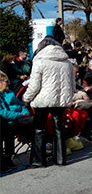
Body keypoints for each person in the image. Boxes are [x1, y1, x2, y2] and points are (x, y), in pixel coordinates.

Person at [23, 36, 76, 167]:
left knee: (39, 128)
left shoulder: (39, 61)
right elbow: (72, 83)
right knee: (59, 127)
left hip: (43, 99)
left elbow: (34, 85)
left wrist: (26, 98)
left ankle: (38, 160)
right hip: (61, 99)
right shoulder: (67, 61)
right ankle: (60, 159)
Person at [0, 71, 32, 174]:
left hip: (17, 119)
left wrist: (25, 113)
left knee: (35, 122)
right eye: (6, 81)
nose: (8, 83)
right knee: (9, 129)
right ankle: (5, 159)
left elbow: (21, 105)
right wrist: (20, 115)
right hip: (8, 121)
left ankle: (8, 158)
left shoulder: (10, 93)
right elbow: (3, 112)